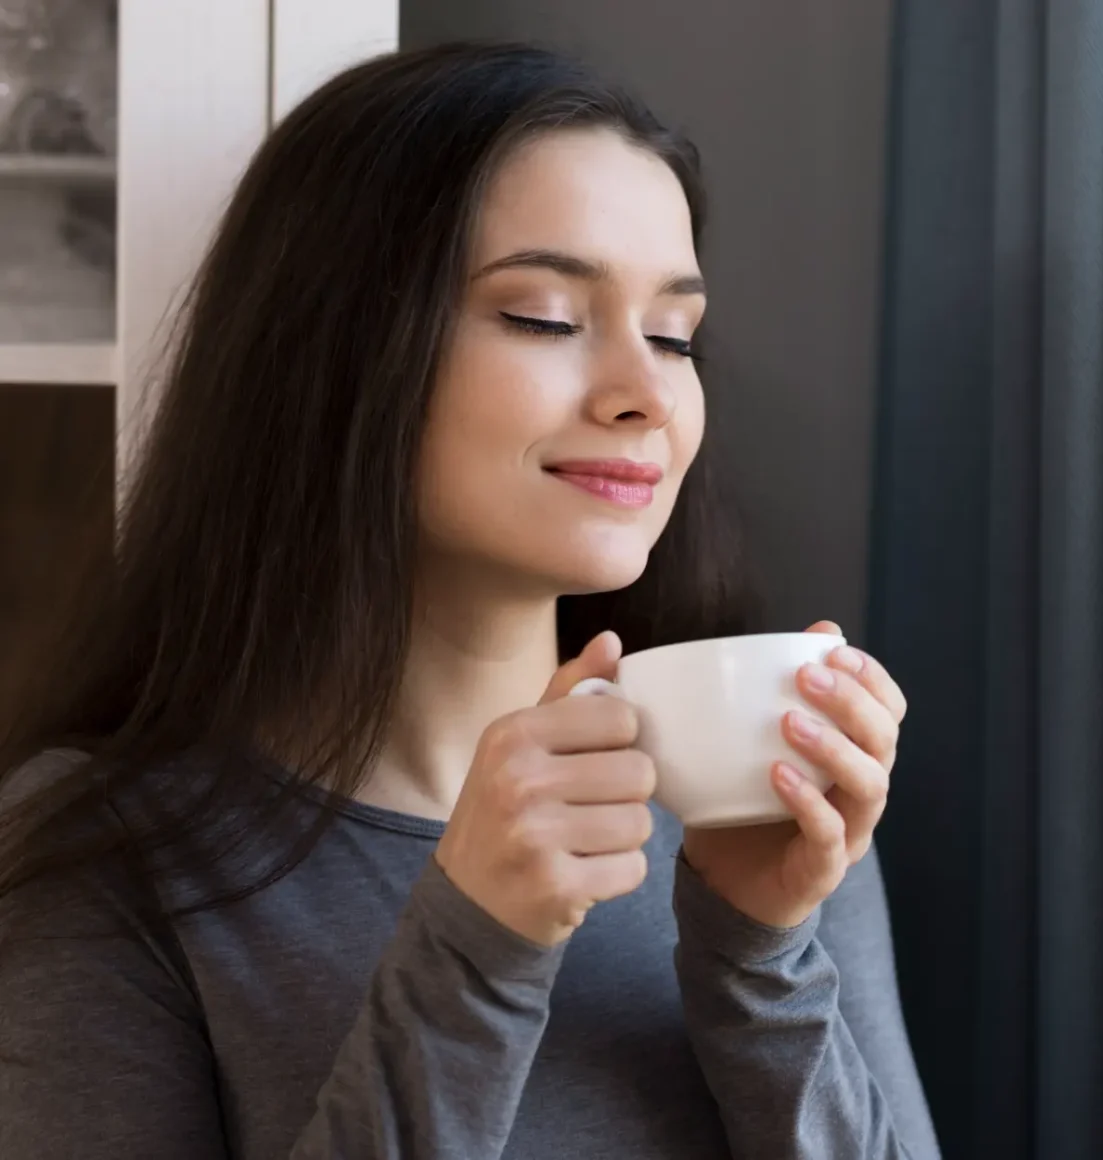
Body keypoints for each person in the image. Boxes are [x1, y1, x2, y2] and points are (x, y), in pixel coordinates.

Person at [0, 42, 941, 1160]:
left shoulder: (758, 800)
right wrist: (472, 953)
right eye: (544, 315)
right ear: (337, 349)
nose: (645, 393)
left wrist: (761, 954)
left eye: (673, 333)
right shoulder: (113, 853)